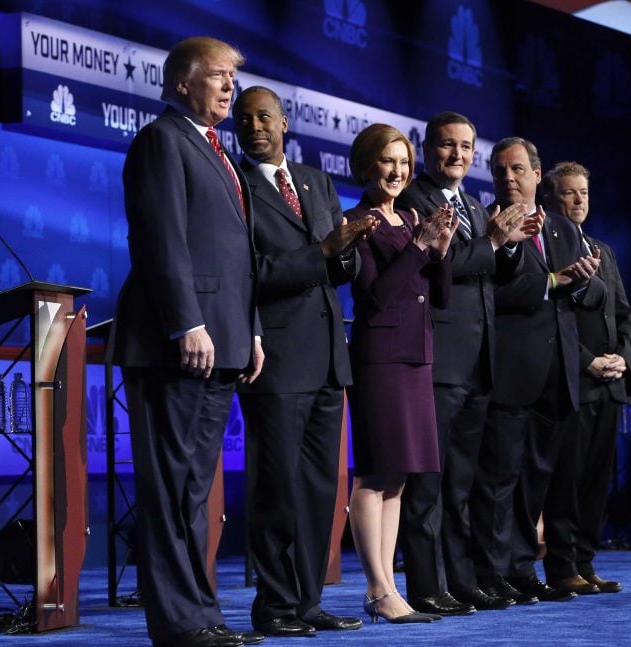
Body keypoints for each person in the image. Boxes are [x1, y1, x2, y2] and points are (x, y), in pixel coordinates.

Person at [109, 37, 265, 647]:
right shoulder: (160, 141)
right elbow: (160, 239)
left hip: (224, 339)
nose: (230, 87)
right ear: (182, 83)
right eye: (219, 76)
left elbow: (238, 256)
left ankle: (202, 616)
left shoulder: (217, 152)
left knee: (195, 490)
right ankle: (179, 624)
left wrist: (250, 329)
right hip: (177, 341)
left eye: (233, 78)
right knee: (171, 487)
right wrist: (186, 321)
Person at [233, 86, 377, 637]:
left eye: (264, 116)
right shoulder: (235, 186)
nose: (254, 125)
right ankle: (273, 604)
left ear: (285, 123)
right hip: (275, 359)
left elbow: (335, 270)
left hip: (326, 360)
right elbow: (255, 272)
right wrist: (322, 251)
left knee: (320, 489)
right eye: (244, 118)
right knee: (276, 490)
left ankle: (308, 601)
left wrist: (345, 250)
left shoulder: (314, 181)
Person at [395, 112, 535, 614]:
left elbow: (490, 270)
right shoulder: (415, 200)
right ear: (428, 148)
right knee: (428, 485)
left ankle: (460, 579)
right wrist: (495, 242)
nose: (457, 155)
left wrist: (511, 247)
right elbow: (443, 265)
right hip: (439, 360)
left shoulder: (476, 206)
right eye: (448, 145)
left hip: (479, 363)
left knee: (460, 485)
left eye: (466, 146)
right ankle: (426, 587)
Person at [469, 137, 604, 606]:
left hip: (557, 372)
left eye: (517, 169)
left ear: (536, 173)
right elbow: (491, 297)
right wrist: (552, 282)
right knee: (499, 480)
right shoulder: (483, 223)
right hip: (509, 370)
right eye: (499, 170)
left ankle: (523, 569)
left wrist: (584, 282)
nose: (508, 178)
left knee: (535, 481)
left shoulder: (564, 229)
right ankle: (491, 571)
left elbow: (589, 298)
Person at [344, 123, 455, 624]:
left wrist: (442, 251)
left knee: (401, 477)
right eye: (388, 162)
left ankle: (386, 585)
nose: (397, 171)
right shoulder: (358, 221)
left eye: (404, 163)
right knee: (376, 472)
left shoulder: (412, 216)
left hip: (417, 354)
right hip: (380, 358)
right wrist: (418, 248)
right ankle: (377, 587)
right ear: (368, 165)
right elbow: (373, 298)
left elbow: (442, 296)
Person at [541, 161, 631, 594]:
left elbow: (624, 317)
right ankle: (562, 567)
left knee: (597, 481)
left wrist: (622, 358)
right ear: (551, 198)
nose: (579, 201)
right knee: (568, 480)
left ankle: (586, 561)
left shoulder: (604, 250)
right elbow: (551, 321)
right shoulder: (549, 246)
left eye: (584, 193)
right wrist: (587, 362)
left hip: (609, 385)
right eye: (569, 193)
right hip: (573, 381)